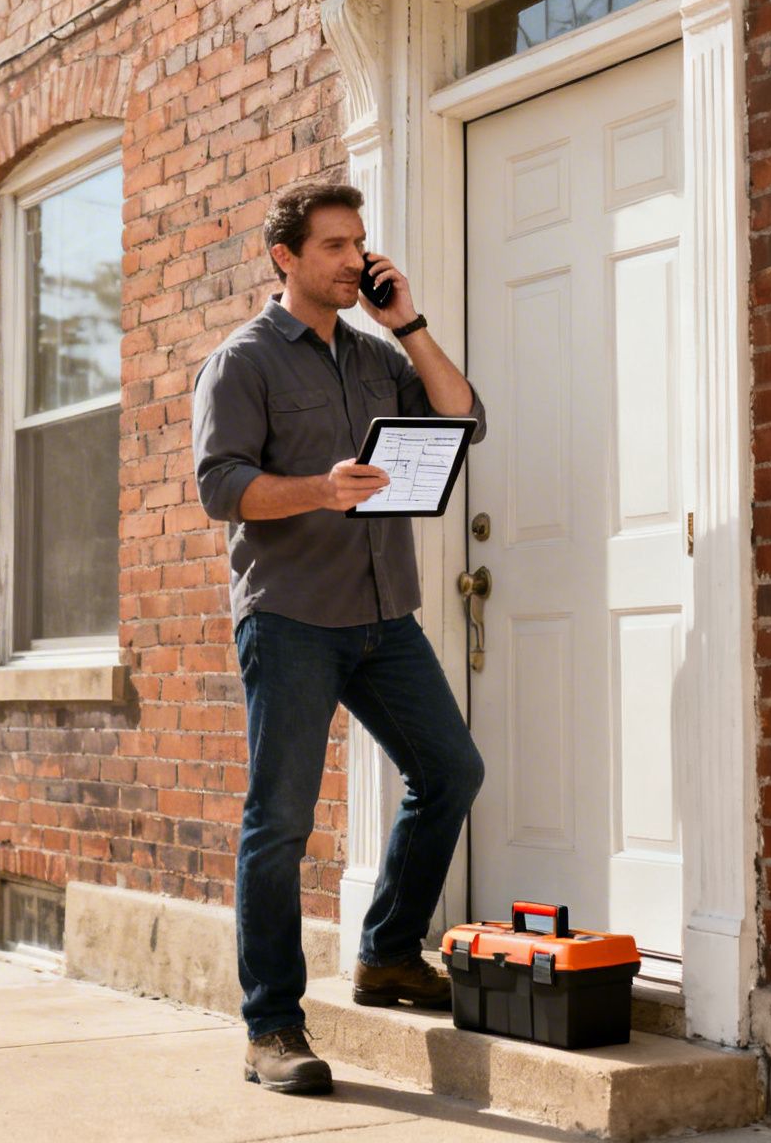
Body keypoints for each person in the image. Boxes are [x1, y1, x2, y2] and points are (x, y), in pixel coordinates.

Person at [191, 178, 489, 1095]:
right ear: (286, 256)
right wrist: (318, 488)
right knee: (278, 824)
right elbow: (220, 487)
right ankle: (271, 1026)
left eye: (359, 243)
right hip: (289, 616)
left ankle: (389, 954)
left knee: (451, 771)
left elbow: (462, 419)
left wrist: (409, 323)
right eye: (334, 245)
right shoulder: (241, 361)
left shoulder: (373, 354)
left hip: (381, 610)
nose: (354, 259)